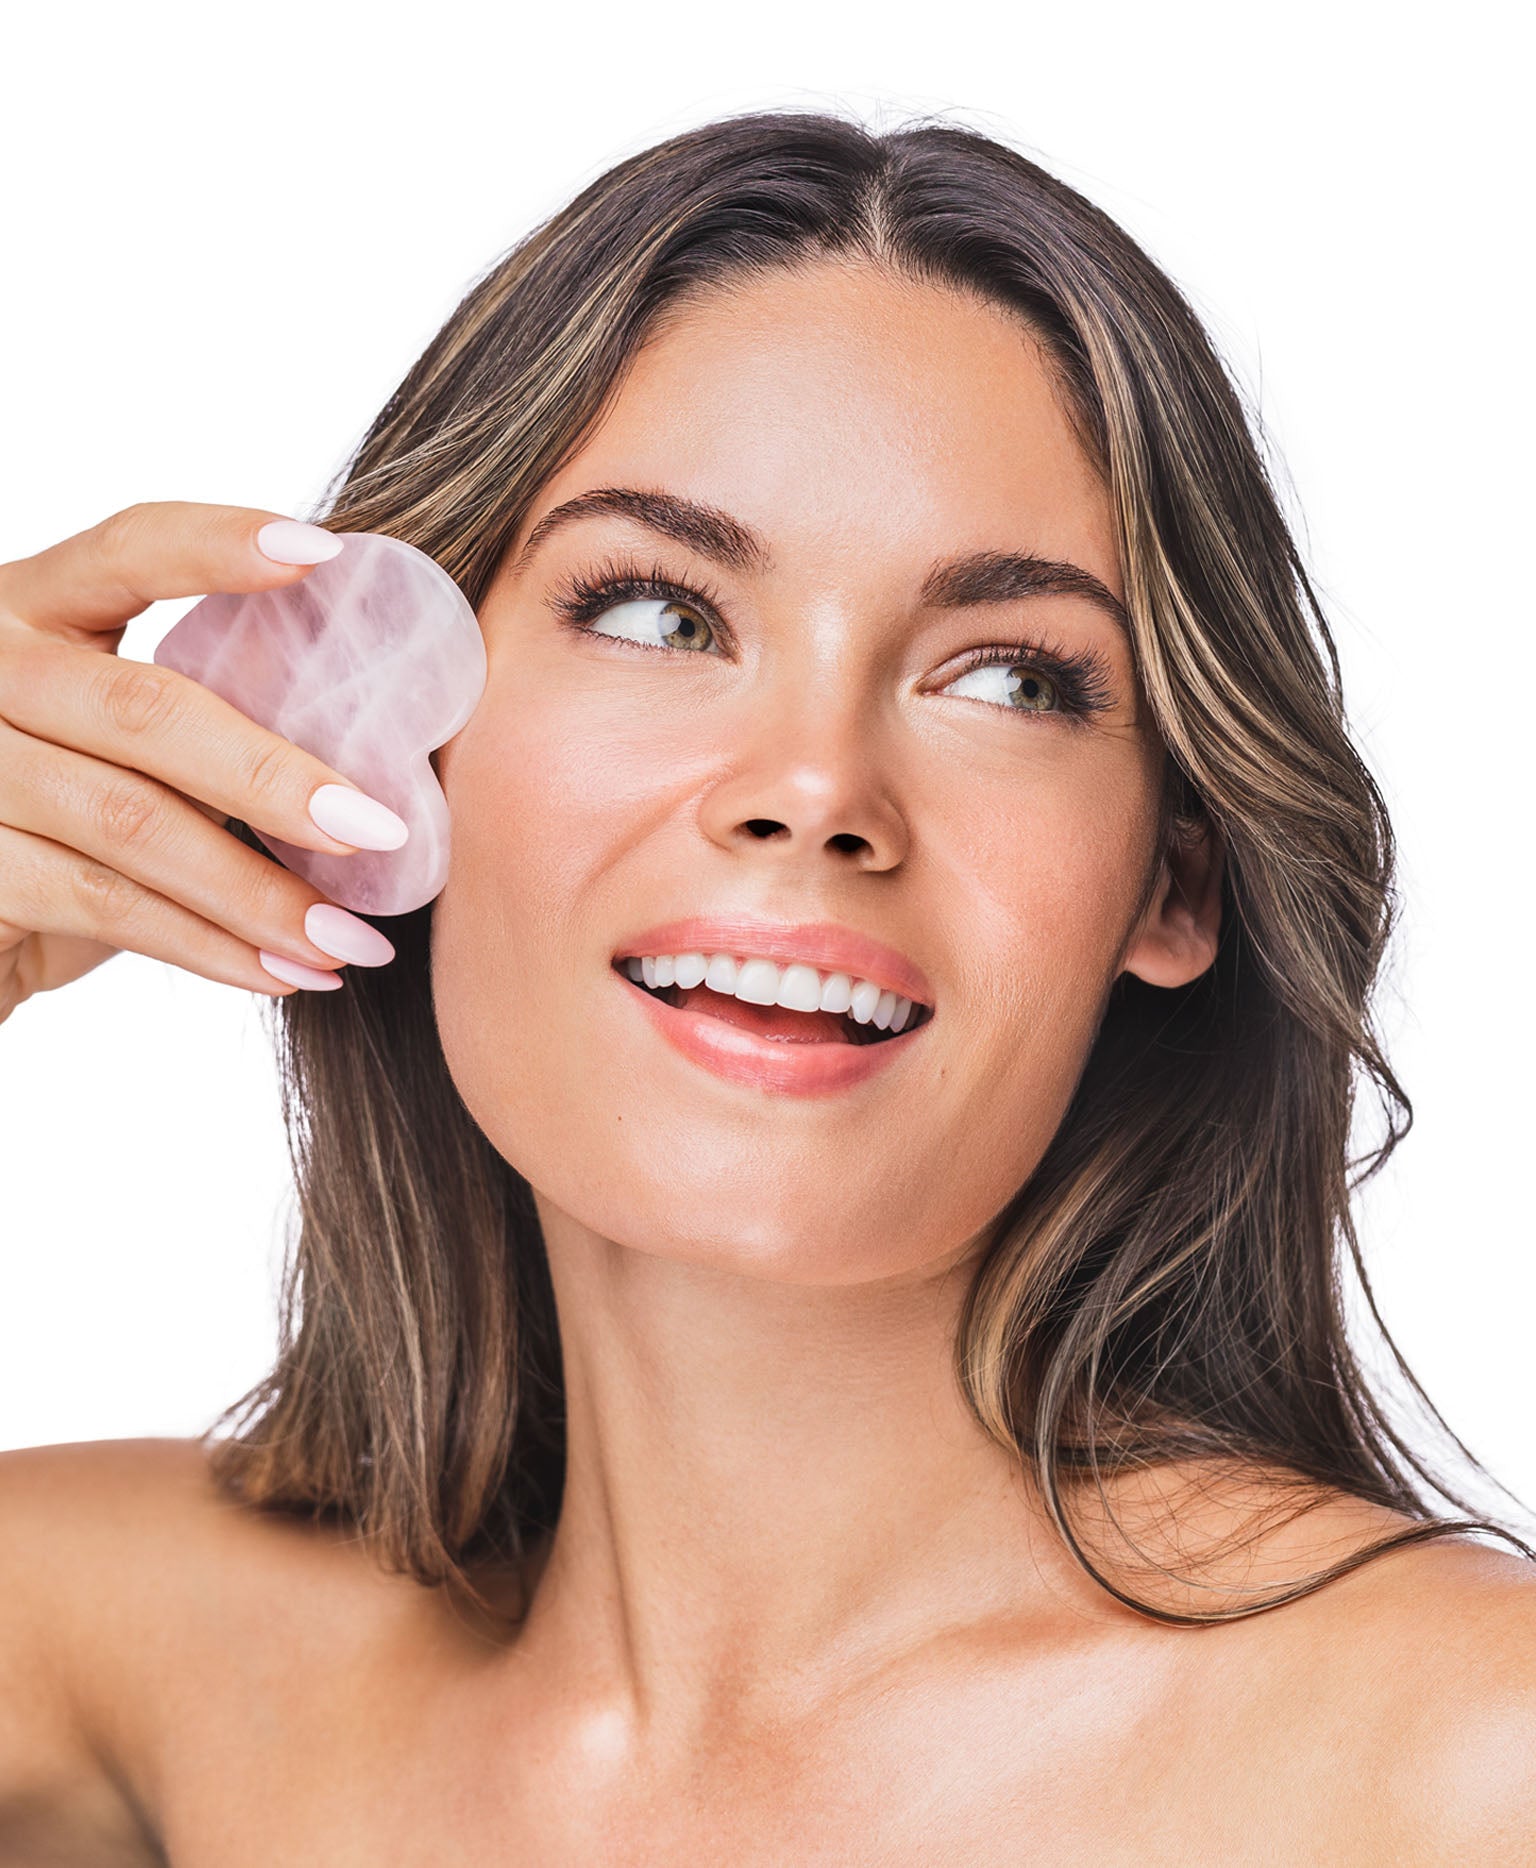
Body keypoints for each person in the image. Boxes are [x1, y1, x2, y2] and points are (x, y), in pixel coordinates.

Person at [1, 108, 1532, 1862]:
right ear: (368, 726)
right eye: (660, 613)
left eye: (1014, 678)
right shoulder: (122, 1670)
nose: (813, 785)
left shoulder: (1469, 1766)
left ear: (1171, 878)